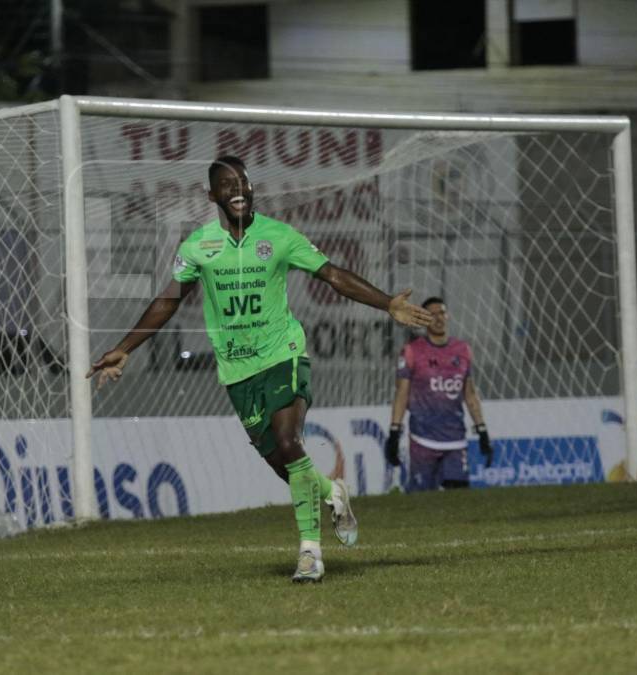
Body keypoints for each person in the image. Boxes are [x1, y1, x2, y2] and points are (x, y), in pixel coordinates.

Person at [87, 156, 434, 582]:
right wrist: (125, 348)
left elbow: (333, 275)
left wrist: (387, 304)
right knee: (284, 465)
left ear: (252, 189)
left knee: (289, 442)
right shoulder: (198, 246)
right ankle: (331, 491)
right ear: (211, 195)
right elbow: (168, 300)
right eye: (225, 185)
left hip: (283, 354)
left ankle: (310, 553)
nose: (236, 189)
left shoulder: (279, 236)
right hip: (237, 371)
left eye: (242, 182)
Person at [384, 297, 493, 492]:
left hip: (455, 439)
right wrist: (394, 432)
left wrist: (482, 429)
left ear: (448, 316)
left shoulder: (463, 350)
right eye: (432, 314)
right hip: (422, 440)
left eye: (441, 312)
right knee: (422, 502)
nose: (438, 317)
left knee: (459, 500)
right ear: (424, 320)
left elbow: (469, 393)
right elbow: (402, 393)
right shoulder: (412, 351)